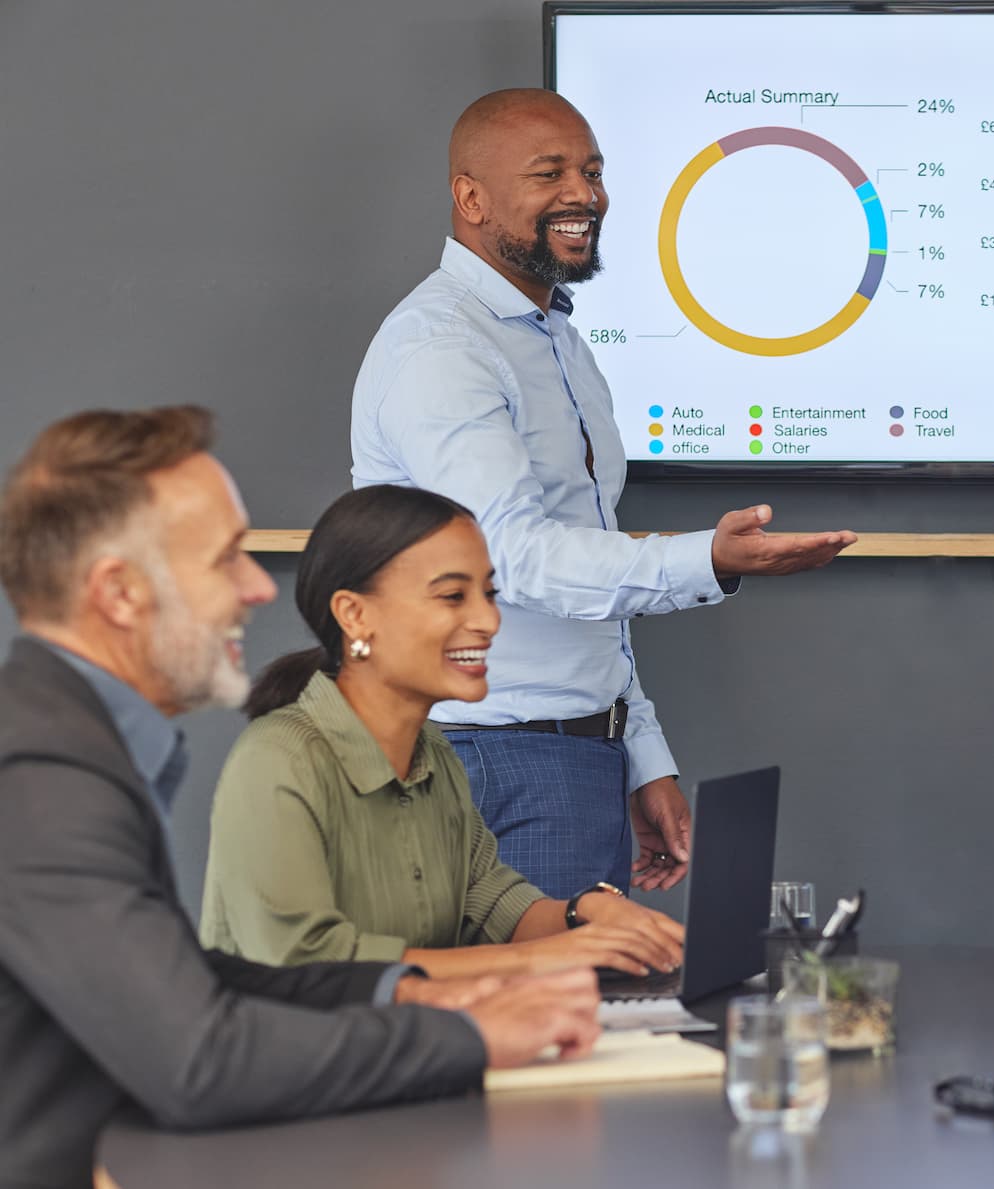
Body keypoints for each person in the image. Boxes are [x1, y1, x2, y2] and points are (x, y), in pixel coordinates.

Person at [0, 407, 604, 1188]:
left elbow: (196, 974)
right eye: (225, 560)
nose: (259, 587)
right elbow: (199, 1058)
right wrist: (466, 1034)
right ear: (119, 592)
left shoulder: (65, 740)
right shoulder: (43, 773)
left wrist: (419, 993)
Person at [350, 87, 857, 901]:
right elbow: (510, 559)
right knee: (542, 1019)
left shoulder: (561, 344)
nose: (584, 194)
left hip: (575, 755)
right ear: (470, 197)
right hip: (486, 762)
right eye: (549, 173)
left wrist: (637, 752)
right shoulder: (441, 350)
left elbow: (587, 566)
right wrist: (709, 558)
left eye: (591, 171)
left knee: (592, 1019)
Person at [200, 485, 687, 978]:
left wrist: (586, 912)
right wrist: (540, 957)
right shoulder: (278, 760)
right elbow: (305, 965)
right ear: (355, 615)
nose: (488, 620)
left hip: (413, 1047)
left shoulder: (430, 752)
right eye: (453, 596)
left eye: (489, 595)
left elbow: (497, 906)